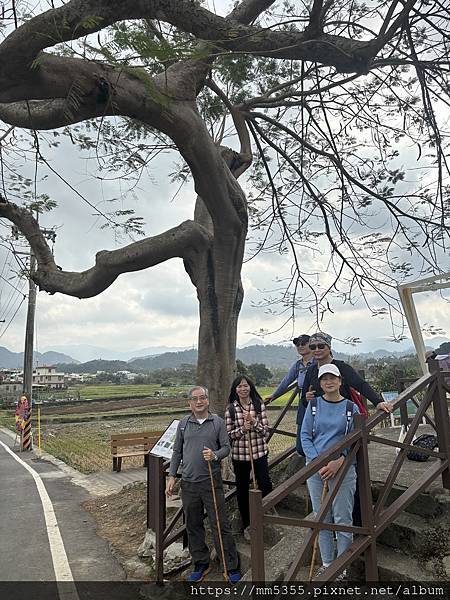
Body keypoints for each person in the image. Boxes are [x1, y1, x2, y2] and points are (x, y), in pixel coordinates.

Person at [166, 386, 241, 583]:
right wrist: (172, 475)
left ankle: (230, 565)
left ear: (207, 400)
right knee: (193, 524)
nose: (199, 402)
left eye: (202, 398)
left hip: (210, 481)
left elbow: (226, 447)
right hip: (188, 483)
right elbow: (177, 452)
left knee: (220, 524)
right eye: (194, 399)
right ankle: (201, 562)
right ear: (189, 403)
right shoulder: (183, 424)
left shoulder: (217, 423)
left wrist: (215, 455)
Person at [301, 363, 359, 580]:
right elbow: (305, 436)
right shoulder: (313, 405)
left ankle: (342, 568)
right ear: (320, 383)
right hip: (316, 469)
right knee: (322, 517)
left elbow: (354, 441)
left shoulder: (350, 408)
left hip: (343, 469)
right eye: (324, 379)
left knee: (343, 517)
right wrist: (318, 462)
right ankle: (327, 563)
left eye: (332, 378)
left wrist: (339, 461)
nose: (329, 382)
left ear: (340, 381)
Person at [226, 376, 272, 540]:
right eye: (239, 386)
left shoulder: (259, 405)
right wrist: (242, 430)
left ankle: (263, 514)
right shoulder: (231, 409)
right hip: (240, 456)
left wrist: (254, 422)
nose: (243, 389)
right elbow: (229, 436)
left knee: (265, 483)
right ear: (235, 390)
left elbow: (266, 432)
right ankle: (247, 523)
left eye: (245, 386)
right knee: (242, 490)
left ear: (250, 387)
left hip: (259, 453)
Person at [266, 334, 314, 455]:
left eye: (304, 343)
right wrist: (274, 395)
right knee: (302, 429)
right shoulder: (298, 365)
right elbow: (286, 381)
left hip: (318, 400)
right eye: (298, 344)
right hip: (303, 400)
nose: (300, 346)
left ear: (311, 344)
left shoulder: (317, 362)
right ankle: (306, 456)